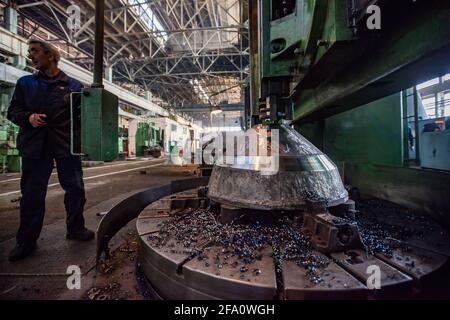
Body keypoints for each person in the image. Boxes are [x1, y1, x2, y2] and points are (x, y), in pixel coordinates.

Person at [6, 39, 94, 262]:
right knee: (32, 195)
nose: (30, 56)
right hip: (35, 146)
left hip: (66, 146)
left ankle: (75, 228)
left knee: (75, 189)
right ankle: (26, 241)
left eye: (34, 51)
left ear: (50, 55)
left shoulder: (74, 86)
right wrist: (29, 117)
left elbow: (84, 117)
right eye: (29, 52)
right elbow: (13, 111)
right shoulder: (26, 83)